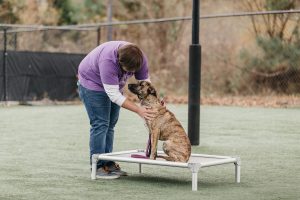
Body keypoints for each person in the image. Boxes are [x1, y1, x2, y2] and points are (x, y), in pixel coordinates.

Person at [77, 41, 156, 179]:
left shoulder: (139, 58)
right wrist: (139, 110)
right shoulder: (108, 61)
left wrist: (152, 103)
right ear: (119, 62)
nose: (128, 74)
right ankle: (98, 166)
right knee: (100, 124)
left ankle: (108, 162)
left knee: (111, 124)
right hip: (92, 84)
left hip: (113, 85)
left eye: (131, 72)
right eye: (126, 70)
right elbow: (114, 95)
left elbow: (146, 85)